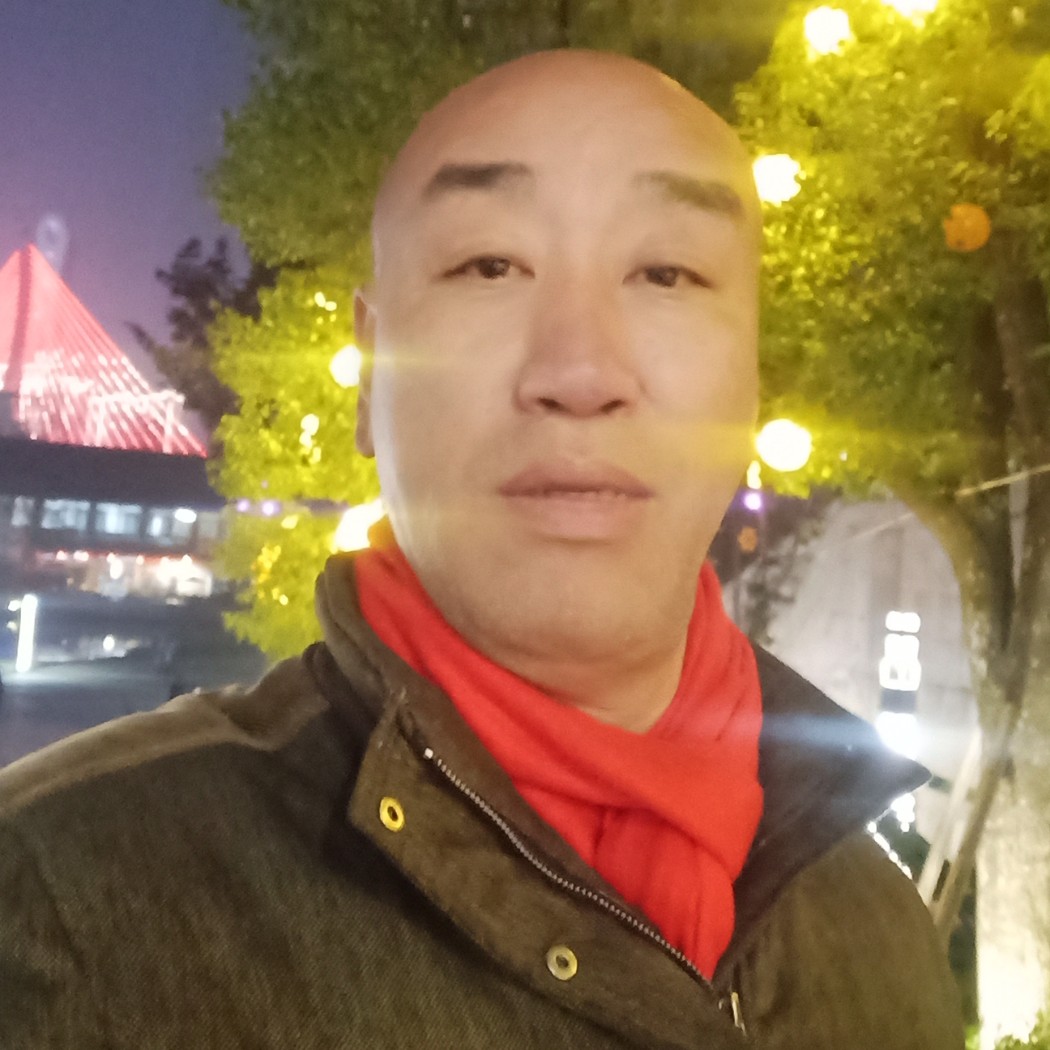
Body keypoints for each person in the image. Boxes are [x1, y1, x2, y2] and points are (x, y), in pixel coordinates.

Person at [0, 50, 963, 1048]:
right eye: (489, 266)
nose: (580, 371)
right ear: (370, 371)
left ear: (753, 377)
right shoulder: (62, 916)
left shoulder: (877, 933)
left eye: (667, 272)